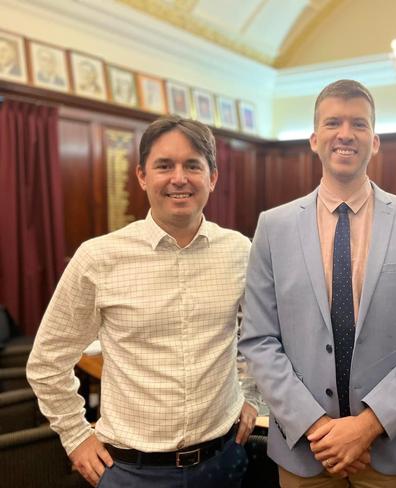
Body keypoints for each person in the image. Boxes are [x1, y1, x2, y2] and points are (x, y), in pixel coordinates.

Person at [239, 79, 396, 487]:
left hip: (394, 448)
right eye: (333, 123)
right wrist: (318, 427)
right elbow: (259, 340)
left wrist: (367, 426)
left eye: (358, 124)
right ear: (313, 138)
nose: (345, 134)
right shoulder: (273, 227)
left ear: (375, 141)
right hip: (306, 448)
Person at [27, 116, 259, 488]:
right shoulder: (99, 258)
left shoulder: (240, 251)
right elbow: (46, 363)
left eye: (193, 166)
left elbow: (260, 340)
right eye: (164, 165)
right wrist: (76, 437)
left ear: (212, 177)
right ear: (142, 176)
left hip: (224, 460)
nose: (178, 178)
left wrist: (250, 397)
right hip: (131, 472)